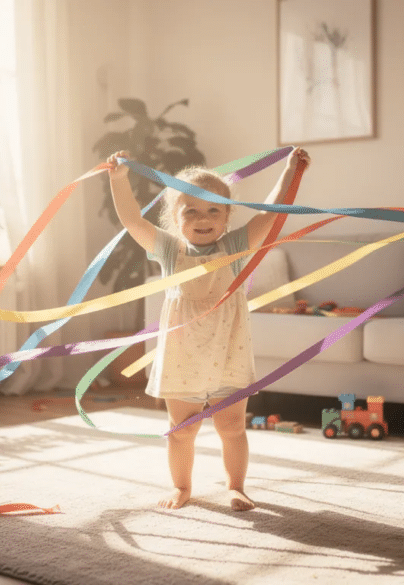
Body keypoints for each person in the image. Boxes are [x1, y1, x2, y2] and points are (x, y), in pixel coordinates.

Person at [106, 147, 311, 511]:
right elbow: (133, 222)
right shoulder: (169, 250)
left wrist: (291, 171)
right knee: (181, 430)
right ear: (175, 216)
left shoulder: (235, 246)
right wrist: (119, 180)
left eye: (214, 209)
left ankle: (237, 487)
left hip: (227, 351)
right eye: (192, 210)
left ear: (228, 216)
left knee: (231, 427)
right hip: (182, 355)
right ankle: (181, 487)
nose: (204, 218)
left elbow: (270, 214)